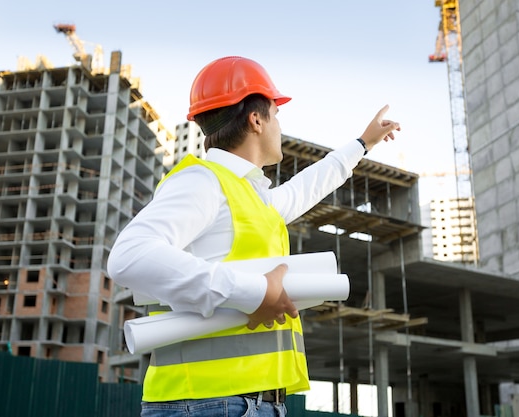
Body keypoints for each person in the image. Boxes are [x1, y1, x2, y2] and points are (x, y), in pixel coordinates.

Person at [107, 56, 400, 417]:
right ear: (256, 119)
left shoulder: (252, 197)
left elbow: (306, 187)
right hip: (207, 404)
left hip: (246, 403)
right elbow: (129, 255)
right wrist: (254, 291)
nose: (280, 127)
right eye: (277, 116)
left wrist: (362, 144)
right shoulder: (203, 181)